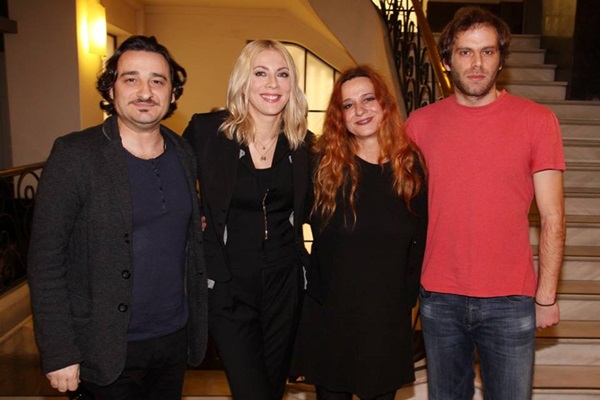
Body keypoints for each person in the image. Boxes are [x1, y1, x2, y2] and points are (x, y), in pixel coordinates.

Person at [27, 35, 207, 399]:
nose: (145, 92)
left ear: (172, 94)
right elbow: (45, 260)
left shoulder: (183, 152)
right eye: (131, 79)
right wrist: (59, 351)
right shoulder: (76, 155)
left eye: (158, 81)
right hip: (104, 347)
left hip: (173, 340)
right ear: (111, 89)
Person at [405, 6, 566, 399]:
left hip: (511, 300)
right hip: (439, 296)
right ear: (447, 60)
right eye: (465, 52)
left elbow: (553, 216)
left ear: (500, 59)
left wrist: (546, 295)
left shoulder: (537, 121)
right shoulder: (419, 125)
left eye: (487, 51)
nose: (476, 63)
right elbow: (400, 210)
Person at [182, 39, 311, 400]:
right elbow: (171, 180)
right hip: (228, 286)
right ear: (243, 80)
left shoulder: (304, 146)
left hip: (285, 284)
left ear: (292, 84)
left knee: (273, 388)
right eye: (260, 73)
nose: (272, 84)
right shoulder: (207, 133)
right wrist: (195, 217)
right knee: (250, 389)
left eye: (282, 74)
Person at [292, 65, 428, 400]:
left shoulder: (410, 166)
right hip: (331, 318)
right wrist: (310, 275)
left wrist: (407, 297)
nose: (360, 110)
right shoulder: (321, 165)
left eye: (368, 99)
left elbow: (421, 235)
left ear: (384, 104)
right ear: (339, 116)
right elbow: (287, 221)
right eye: (349, 105)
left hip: (387, 320)